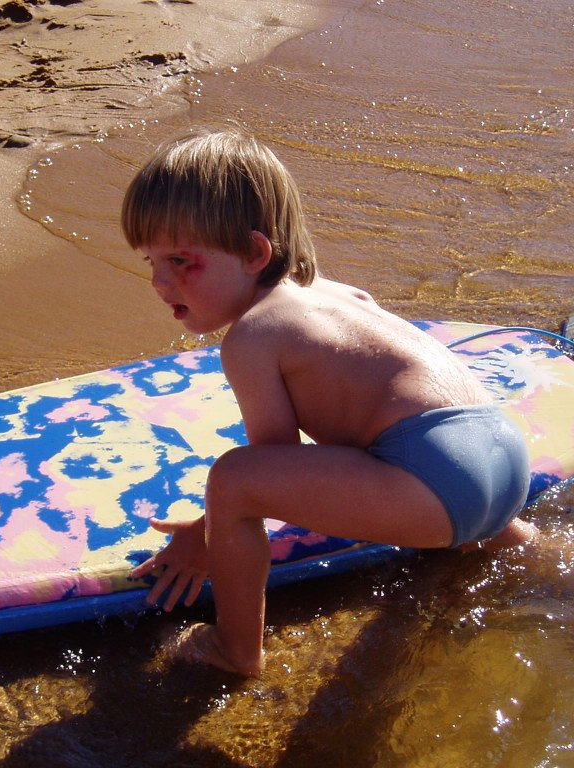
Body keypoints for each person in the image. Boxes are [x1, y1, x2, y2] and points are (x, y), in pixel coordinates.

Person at [125, 129, 534, 676]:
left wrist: (207, 534)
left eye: (180, 260)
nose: (158, 281)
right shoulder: (339, 294)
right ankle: (548, 558)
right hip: (502, 455)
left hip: (436, 481)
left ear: (254, 253)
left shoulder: (252, 334)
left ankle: (235, 650)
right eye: (150, 261)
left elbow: (270, 467)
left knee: (232, 479)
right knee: (414, 462)